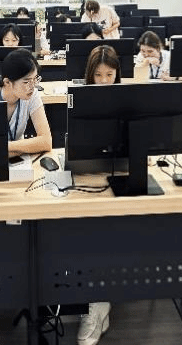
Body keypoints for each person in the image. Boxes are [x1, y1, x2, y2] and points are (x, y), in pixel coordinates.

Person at [76, 43, 122, 345]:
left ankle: (100, 299)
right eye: (98, 75)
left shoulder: (129, 99)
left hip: (123, 173)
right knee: (88, 228)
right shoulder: (79, 99)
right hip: (89, 175)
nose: (104, 81)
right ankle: (95, 302)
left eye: (109, 75)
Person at [0, 49, 51, 155]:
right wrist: (25, 148)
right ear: (7, 82)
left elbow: (46, 142)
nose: (32, 86)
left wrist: (3, 146)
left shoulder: (32, 95)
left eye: (35, 79)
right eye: (26, 81)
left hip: (17, 159)